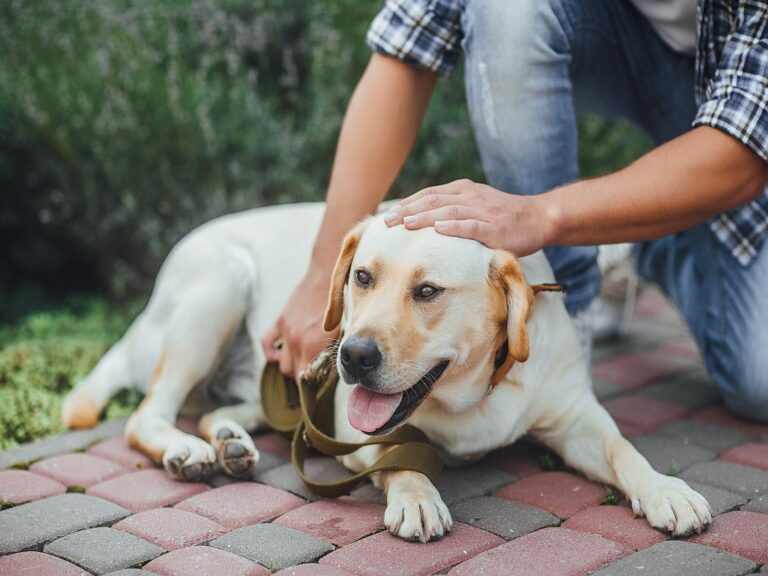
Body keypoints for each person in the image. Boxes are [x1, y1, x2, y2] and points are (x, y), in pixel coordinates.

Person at [262, 0, 768, 422]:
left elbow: (745, 156)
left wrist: (542, 214)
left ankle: (643, 233)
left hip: (743, 119)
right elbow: (406, 46)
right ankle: (566, 302)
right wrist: (319, 275)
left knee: (759, 383)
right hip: (613, 39)